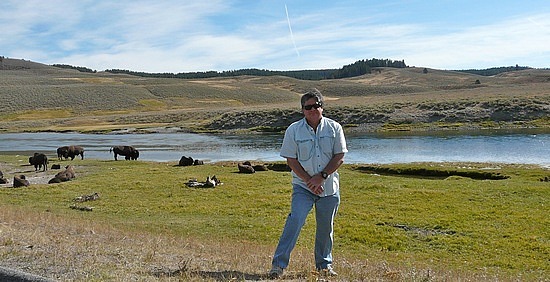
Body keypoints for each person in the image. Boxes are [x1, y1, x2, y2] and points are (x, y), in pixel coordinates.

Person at [269, 89, 347, 279]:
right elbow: (291, 160)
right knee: (295, 221)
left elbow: (340, 156)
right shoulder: (293, 130)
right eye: (308, 107)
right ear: (303, 110)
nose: (313, 110)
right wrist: (309, 181)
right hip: (303, 187)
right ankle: (278, 266)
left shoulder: (334, 128)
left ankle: (324, 266)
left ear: (322, 107)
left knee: (325, 227)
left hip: (329, 188)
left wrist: (321, 177)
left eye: (316, 105)